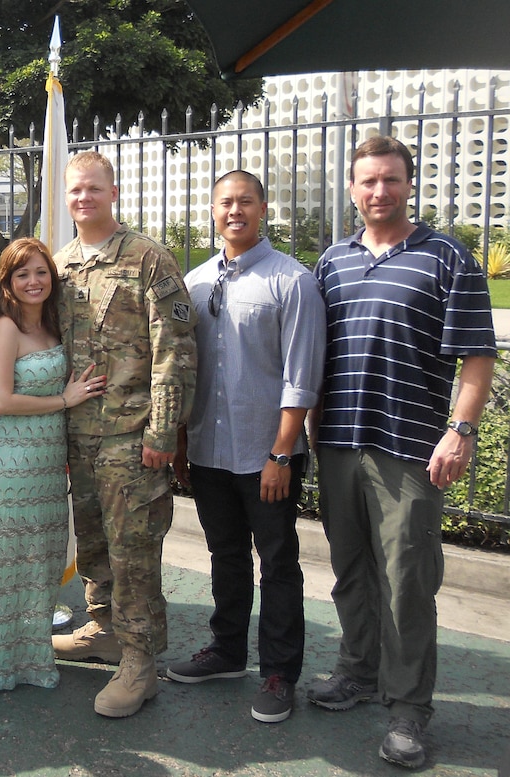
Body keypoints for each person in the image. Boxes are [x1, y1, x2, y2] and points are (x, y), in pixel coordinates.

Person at [306, 135, 496, 769]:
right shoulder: (331, 262)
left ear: (408, 185)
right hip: (337, 442)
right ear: (352, 190)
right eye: (367, 181)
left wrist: (460, 431)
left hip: (409, 451)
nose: (378, 191)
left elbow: (476, 356)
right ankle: (357, 670)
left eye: (390, 179)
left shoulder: (447, 258)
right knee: (350, 570)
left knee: (408, 582)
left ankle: (409, 707)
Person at [170, 170, 326, 723]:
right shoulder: (193, 283)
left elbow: (301, 378)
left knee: (279, 563)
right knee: (225, 556)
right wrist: (185, 441)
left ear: (263, 208)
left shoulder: (292, 280)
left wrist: (282, 454)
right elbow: (185, 371)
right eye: (224, 203)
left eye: (245, 202)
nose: (234, 211)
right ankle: (227, 650)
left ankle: (279, 673)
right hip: (209, 451)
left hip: (267, 456)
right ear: (212, 210)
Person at [51, 150, 196, 718]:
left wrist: (162, 431)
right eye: (75, 191)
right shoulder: (61, 265)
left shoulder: (147, 259)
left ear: (113, 192)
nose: (84, 198)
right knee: (93, 543)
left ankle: (141, 662)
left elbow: (175, 353)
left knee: (134, 552)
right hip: (79, 438)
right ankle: (103, 627)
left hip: (133, 440)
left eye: (93, 189)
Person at [0, 238, 104, 691]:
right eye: (22, 274)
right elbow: (2, 400)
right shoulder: (6, 329)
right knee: (8, 562)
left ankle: (33, 654)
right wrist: (64, 398)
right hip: (11, 465)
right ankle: (3, 661)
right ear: (8, 283)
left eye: (40, 272)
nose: (33, 281)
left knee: (42, 561)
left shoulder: (56, 328)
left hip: (49, 464)